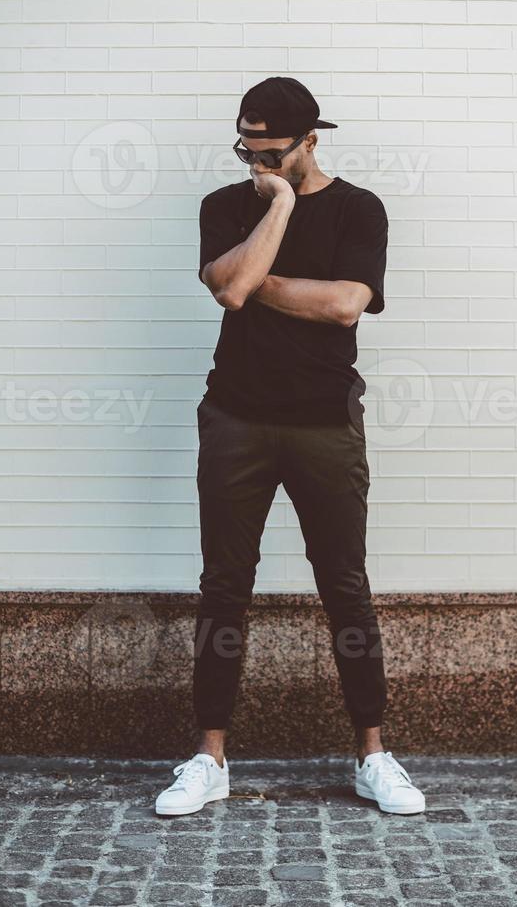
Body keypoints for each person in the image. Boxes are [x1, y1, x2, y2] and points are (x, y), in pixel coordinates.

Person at [155, 77, 425, 818]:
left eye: (272, 152)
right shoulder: (225, 205)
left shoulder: (359, 208)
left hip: (325, 424)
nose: (256, 161)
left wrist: (254, 271)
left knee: (345, 586)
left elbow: (345, 304)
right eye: (246, 147)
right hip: (235, 417)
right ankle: (209, 758)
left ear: (312, 140)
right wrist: (277, 204)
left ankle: (373, 754)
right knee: (224, 587)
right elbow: (229, 293)